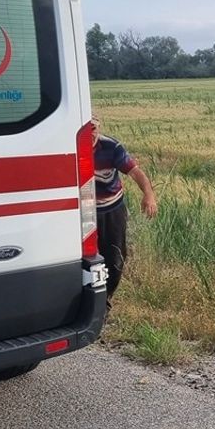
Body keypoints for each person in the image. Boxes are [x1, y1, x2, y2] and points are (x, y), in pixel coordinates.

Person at [92, 118, 156, 305]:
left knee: (115, 259)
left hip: (112, 210)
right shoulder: (72, 147)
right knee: (87, 259)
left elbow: (136, 172)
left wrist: (149, 195)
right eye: (84, 128)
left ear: (99, 127)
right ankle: (91, 302)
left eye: (93, 128)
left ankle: (105, 301)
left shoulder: (112, 147)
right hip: (83, 213)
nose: (89, 134)